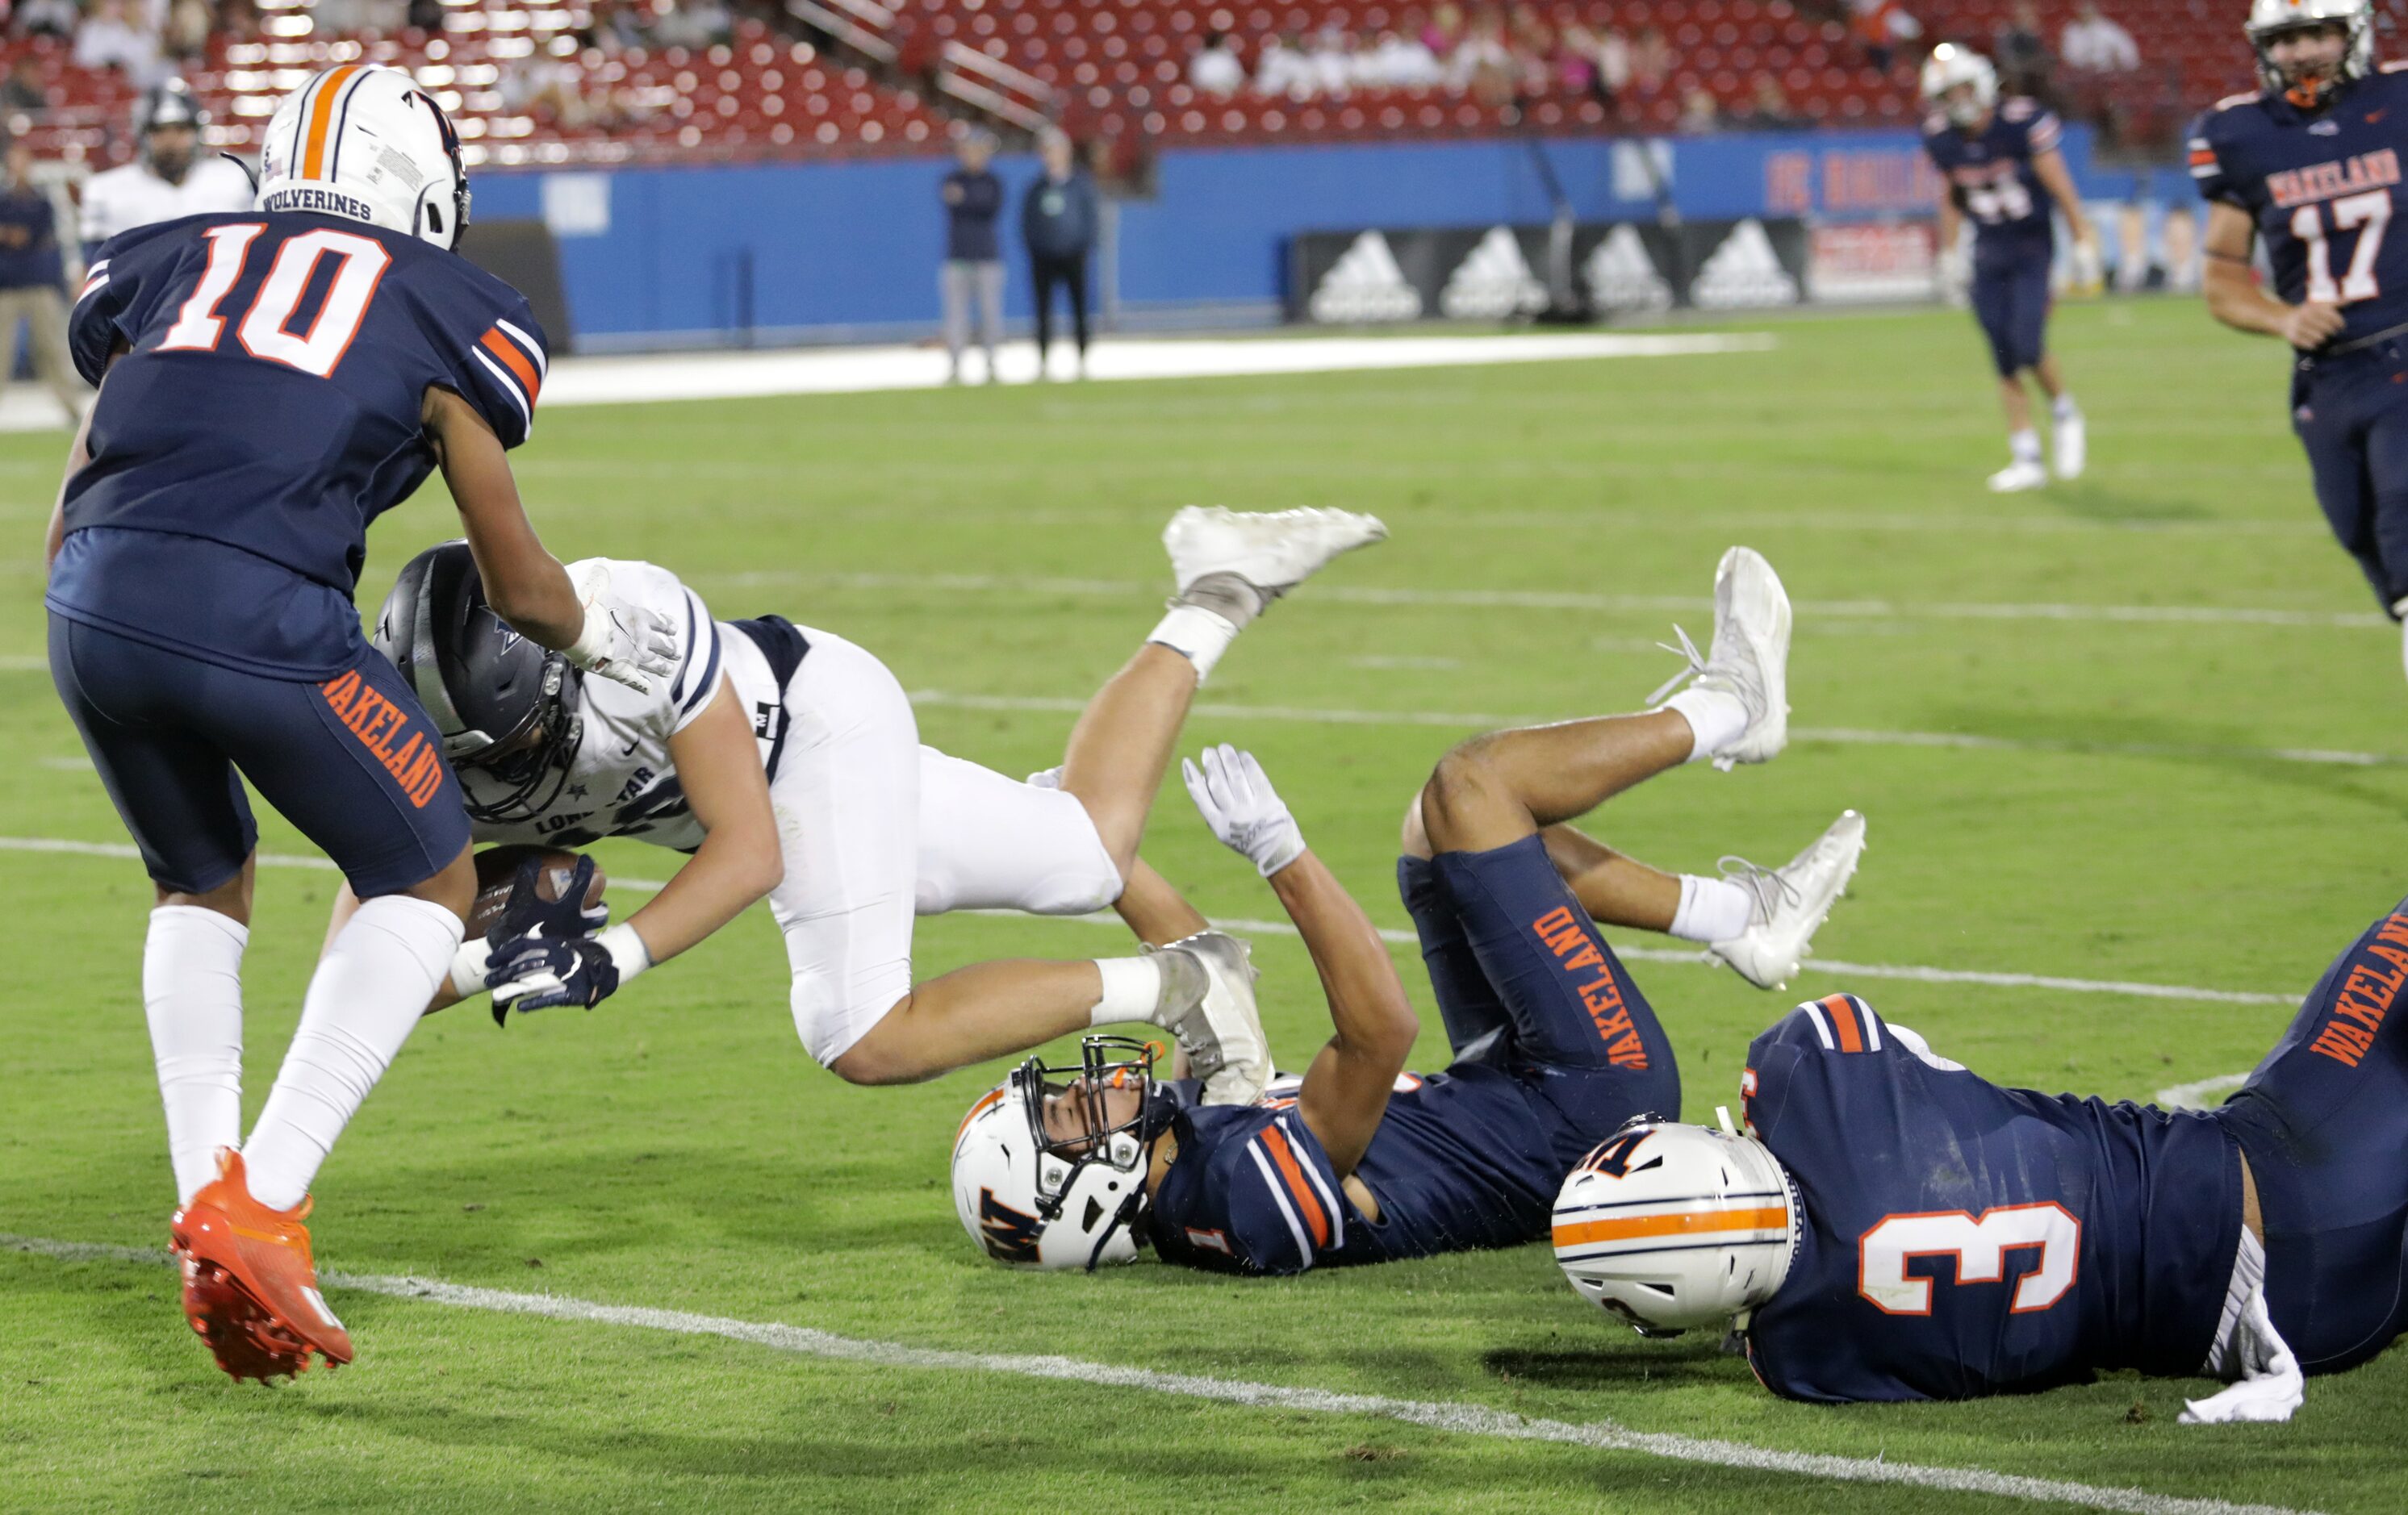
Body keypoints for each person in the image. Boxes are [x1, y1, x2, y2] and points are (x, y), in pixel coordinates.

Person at [44, 65, 679, 1384]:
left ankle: (205, 1208)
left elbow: (81, 481)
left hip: (87, 599)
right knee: (431, 871)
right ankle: (260, 1202)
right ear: (425, 189)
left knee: (198, 882)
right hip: (252, 606)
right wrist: (606, 643)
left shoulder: (175, 258)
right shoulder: (447, 305)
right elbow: (517, 581)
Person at [951, 549, 1869, 1275]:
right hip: (1584, 1107)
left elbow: (1204, 975)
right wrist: (1282, 855)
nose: (1089, 1085)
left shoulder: (1186, 1165)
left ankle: (1738, 916)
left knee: (1445, 847)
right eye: (1071, 1114)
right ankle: (1726, 711)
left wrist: (1093, 852)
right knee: (1471, 788)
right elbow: (1379, 1034)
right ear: (1077, 1198)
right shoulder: (1232, 1200)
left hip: (1500, 1082)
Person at [357, 507, 1388, 1097]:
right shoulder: (416, 750)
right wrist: (475, 957)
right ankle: (1220, 588)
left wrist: (615, 953)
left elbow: (750, 853)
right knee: (1086, 853)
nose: (507, 770)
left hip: (811, 733)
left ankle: (1182, 989)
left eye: (524, 738)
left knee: (861, 1032)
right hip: (778, 791)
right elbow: (368, 961)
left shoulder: (632, 631)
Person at [1556, 877, 2408, 1423]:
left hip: (2308, 1327)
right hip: (2293, 1179)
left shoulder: (1806, 1362)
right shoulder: (1806, 1072)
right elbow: (1879, 1047)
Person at [2191, 1, 2408, 684]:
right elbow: (2223, 282)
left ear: (2356, 33)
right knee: (2367, 545)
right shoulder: (2239, 134)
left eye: (2317, 32)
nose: (2302, 51)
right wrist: (2283, 318)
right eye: (2284, 39)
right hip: (2328, 378)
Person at [1919, 44, 2101, 492]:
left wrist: (2081, 235)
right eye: (1947, 94)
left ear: (1980, 83)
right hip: (1989, 250)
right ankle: (2026, 457)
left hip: (2031, 246)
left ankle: (2063, 410)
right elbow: (1951, 196)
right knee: (2001, 359)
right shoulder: (1942, 137)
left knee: (2027, 345)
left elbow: (2057, 181)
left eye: (1961, 88)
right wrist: (1949, 251)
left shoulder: (2020, 121)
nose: (1957, 100)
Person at [79, 81, 253, 257]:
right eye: (159, 130)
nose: (171, 140)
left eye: (181, 129)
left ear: (197, 132)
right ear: (143, 135)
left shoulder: (233, 180)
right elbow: (92, 267)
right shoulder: (107, 189)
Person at [0, 141, 88, 424]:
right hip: (7, 285)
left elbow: (32, 234)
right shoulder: (7, 199)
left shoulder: (40, 200)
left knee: (52, 348)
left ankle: (71, 408)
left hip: (38, 283)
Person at [1021, 127, 1098, 381]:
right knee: (1043, 311)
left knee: (1079, 309)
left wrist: (1083, 246)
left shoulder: (1080, 184)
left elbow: (1090, 219)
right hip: (1044, 257)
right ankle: (1043, 361)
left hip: (1074, 256)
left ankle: (1082, 359)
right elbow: (1027, 222)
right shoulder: (1037, 187)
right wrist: (1036, 248)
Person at [939, 130, 1004, 385]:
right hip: (958, 256)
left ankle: (991, 361)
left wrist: (965, 199)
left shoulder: (992, 182)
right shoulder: (951, 179)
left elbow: (987, 208)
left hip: (987, 256)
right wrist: (968, 201)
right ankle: (955, 363)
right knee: (956, 314)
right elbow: (956, 205)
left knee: (990, 313)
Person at [2059, 2, 2138, 75]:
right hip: (2081, 74)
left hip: (2109, 73)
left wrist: (2118, 59)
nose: (2087, 16)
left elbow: (2126, 51)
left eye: (2089, 13)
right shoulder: (2071, 31)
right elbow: (2068, 55)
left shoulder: (2109, 28)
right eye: (2084, 14)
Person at [1189, 31, 1244, 95]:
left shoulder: (1228, 57)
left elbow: (1238, 78)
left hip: (1228, 92)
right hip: (1206, 94)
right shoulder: (1200, 59)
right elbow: (1197, 81)